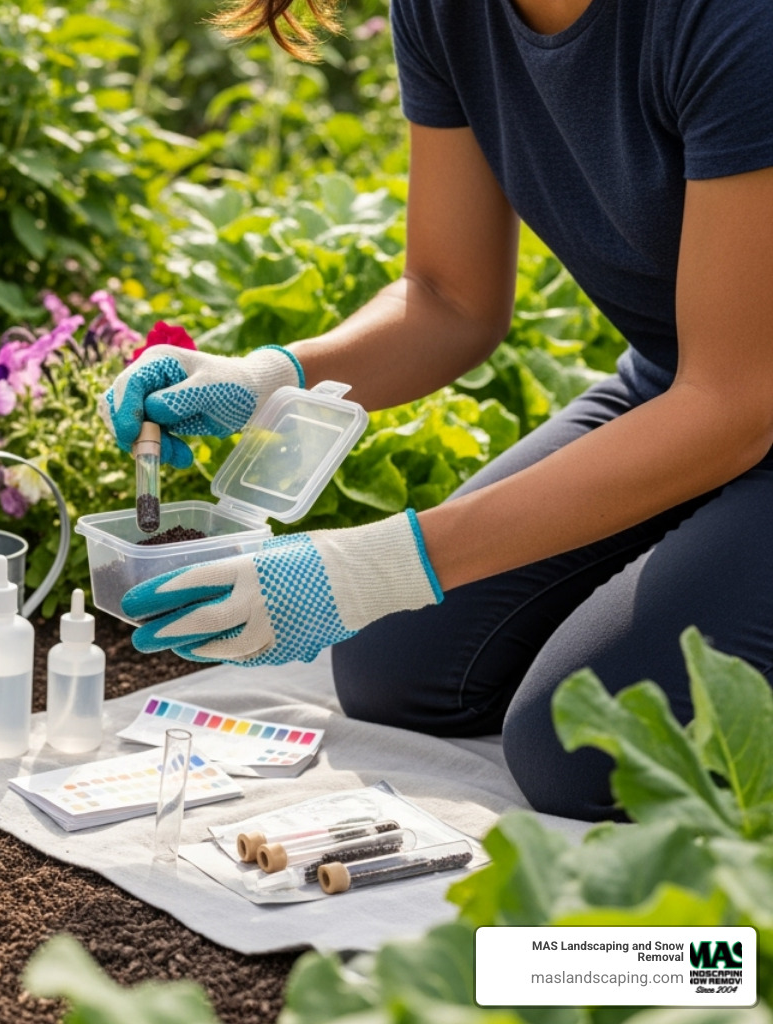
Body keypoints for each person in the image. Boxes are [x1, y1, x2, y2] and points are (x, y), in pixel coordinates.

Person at [100, 0, 773, 821]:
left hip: (732, 396)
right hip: (683, 384)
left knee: (591, 751)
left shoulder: (733, 21)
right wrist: (268, 377)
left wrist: (369, 565)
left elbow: (734, 405)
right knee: (400, 668)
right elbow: (449, 298)